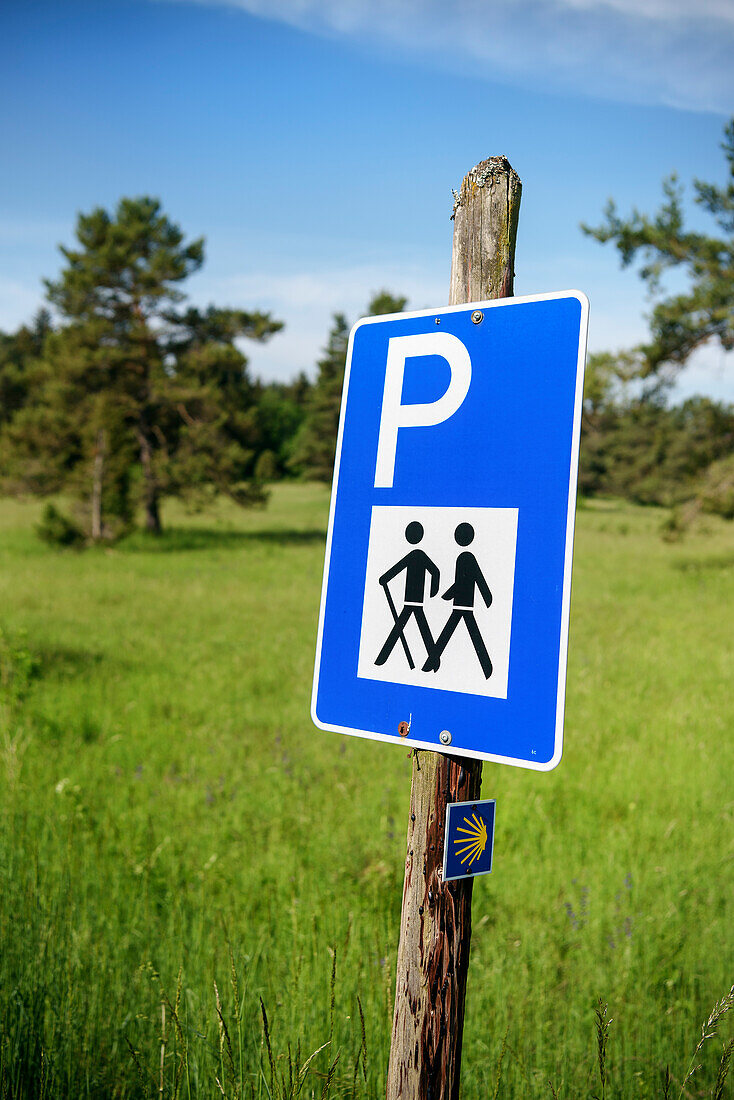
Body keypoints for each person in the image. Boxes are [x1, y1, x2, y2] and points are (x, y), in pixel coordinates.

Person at [422, 522, 493, 678]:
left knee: (450, 634)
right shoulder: (464, 557)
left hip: (463, 604)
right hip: (463, 605)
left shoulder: (465, 557)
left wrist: (448, 595)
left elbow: (471, 579)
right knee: (450, 634)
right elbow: (472, 580)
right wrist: (486, 596)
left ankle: (487, 668)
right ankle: (430, 663)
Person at [375, 521, 439, 669]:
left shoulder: (418, 555)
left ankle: (434, 659)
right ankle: (381, 659)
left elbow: (435, 571)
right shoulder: (416, 555)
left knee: (415, 629)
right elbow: (397, 569)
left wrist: (432, 592)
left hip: (415, 600)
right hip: (410, 600)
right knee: (403, 627)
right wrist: (385, 578)